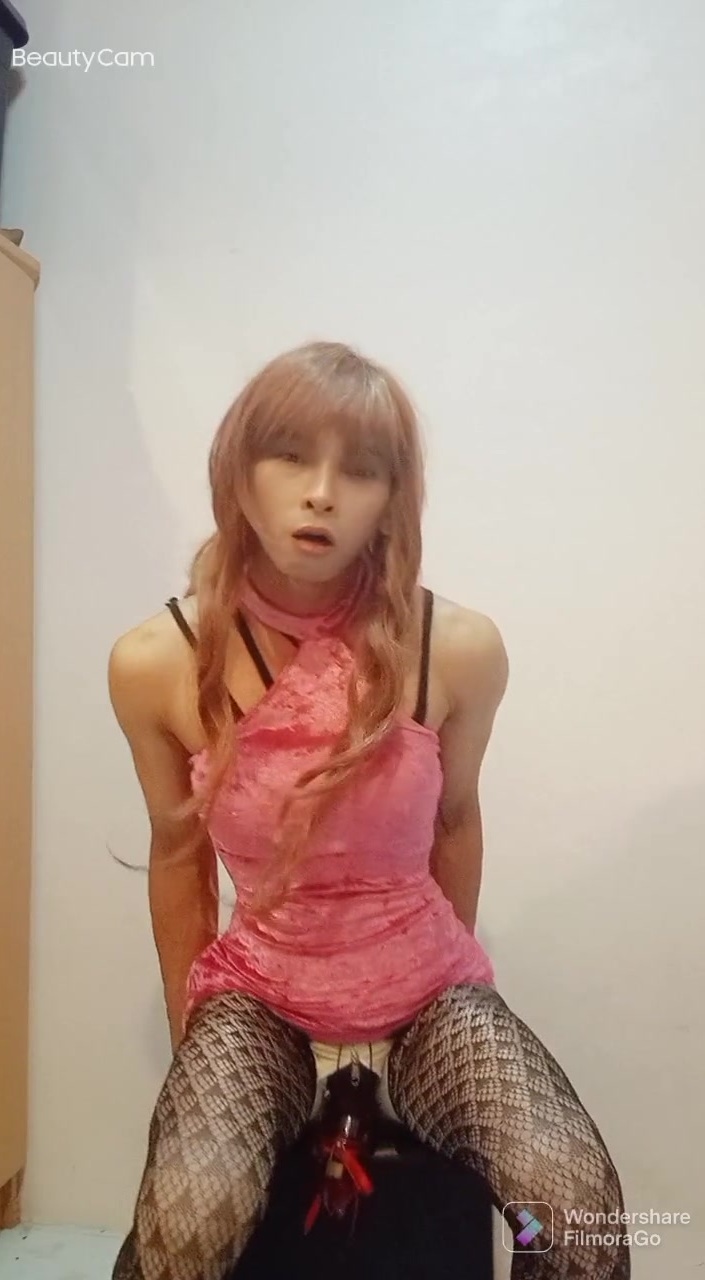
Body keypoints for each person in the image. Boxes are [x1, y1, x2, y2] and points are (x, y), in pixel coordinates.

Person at [108, 340, 629, 1280]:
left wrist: (444, 993)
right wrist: (197, 1051)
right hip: (260, 990)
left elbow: (454, 823)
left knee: (575, 1210)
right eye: (290, 457)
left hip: (423, 989)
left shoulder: (455, 648)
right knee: (189, 1223)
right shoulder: (158, 663)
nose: (321, 493)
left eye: (359, 470)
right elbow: (176, 854)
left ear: (392, 496)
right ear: (237, 471)